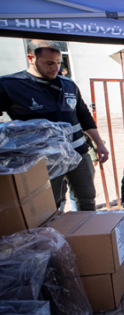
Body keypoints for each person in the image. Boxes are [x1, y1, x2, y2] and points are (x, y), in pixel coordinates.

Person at [0, 39, 109, 210]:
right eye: (49, 63)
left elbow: (84, 116)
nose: (55, 68)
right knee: (49, 206)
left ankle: (87, 235)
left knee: (87, 200)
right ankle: (55, 235)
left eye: (58, 63)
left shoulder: (68, 85)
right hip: (41, 160)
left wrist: (99, 144)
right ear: (31, 58)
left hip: (78, 153)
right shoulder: (10, 85)